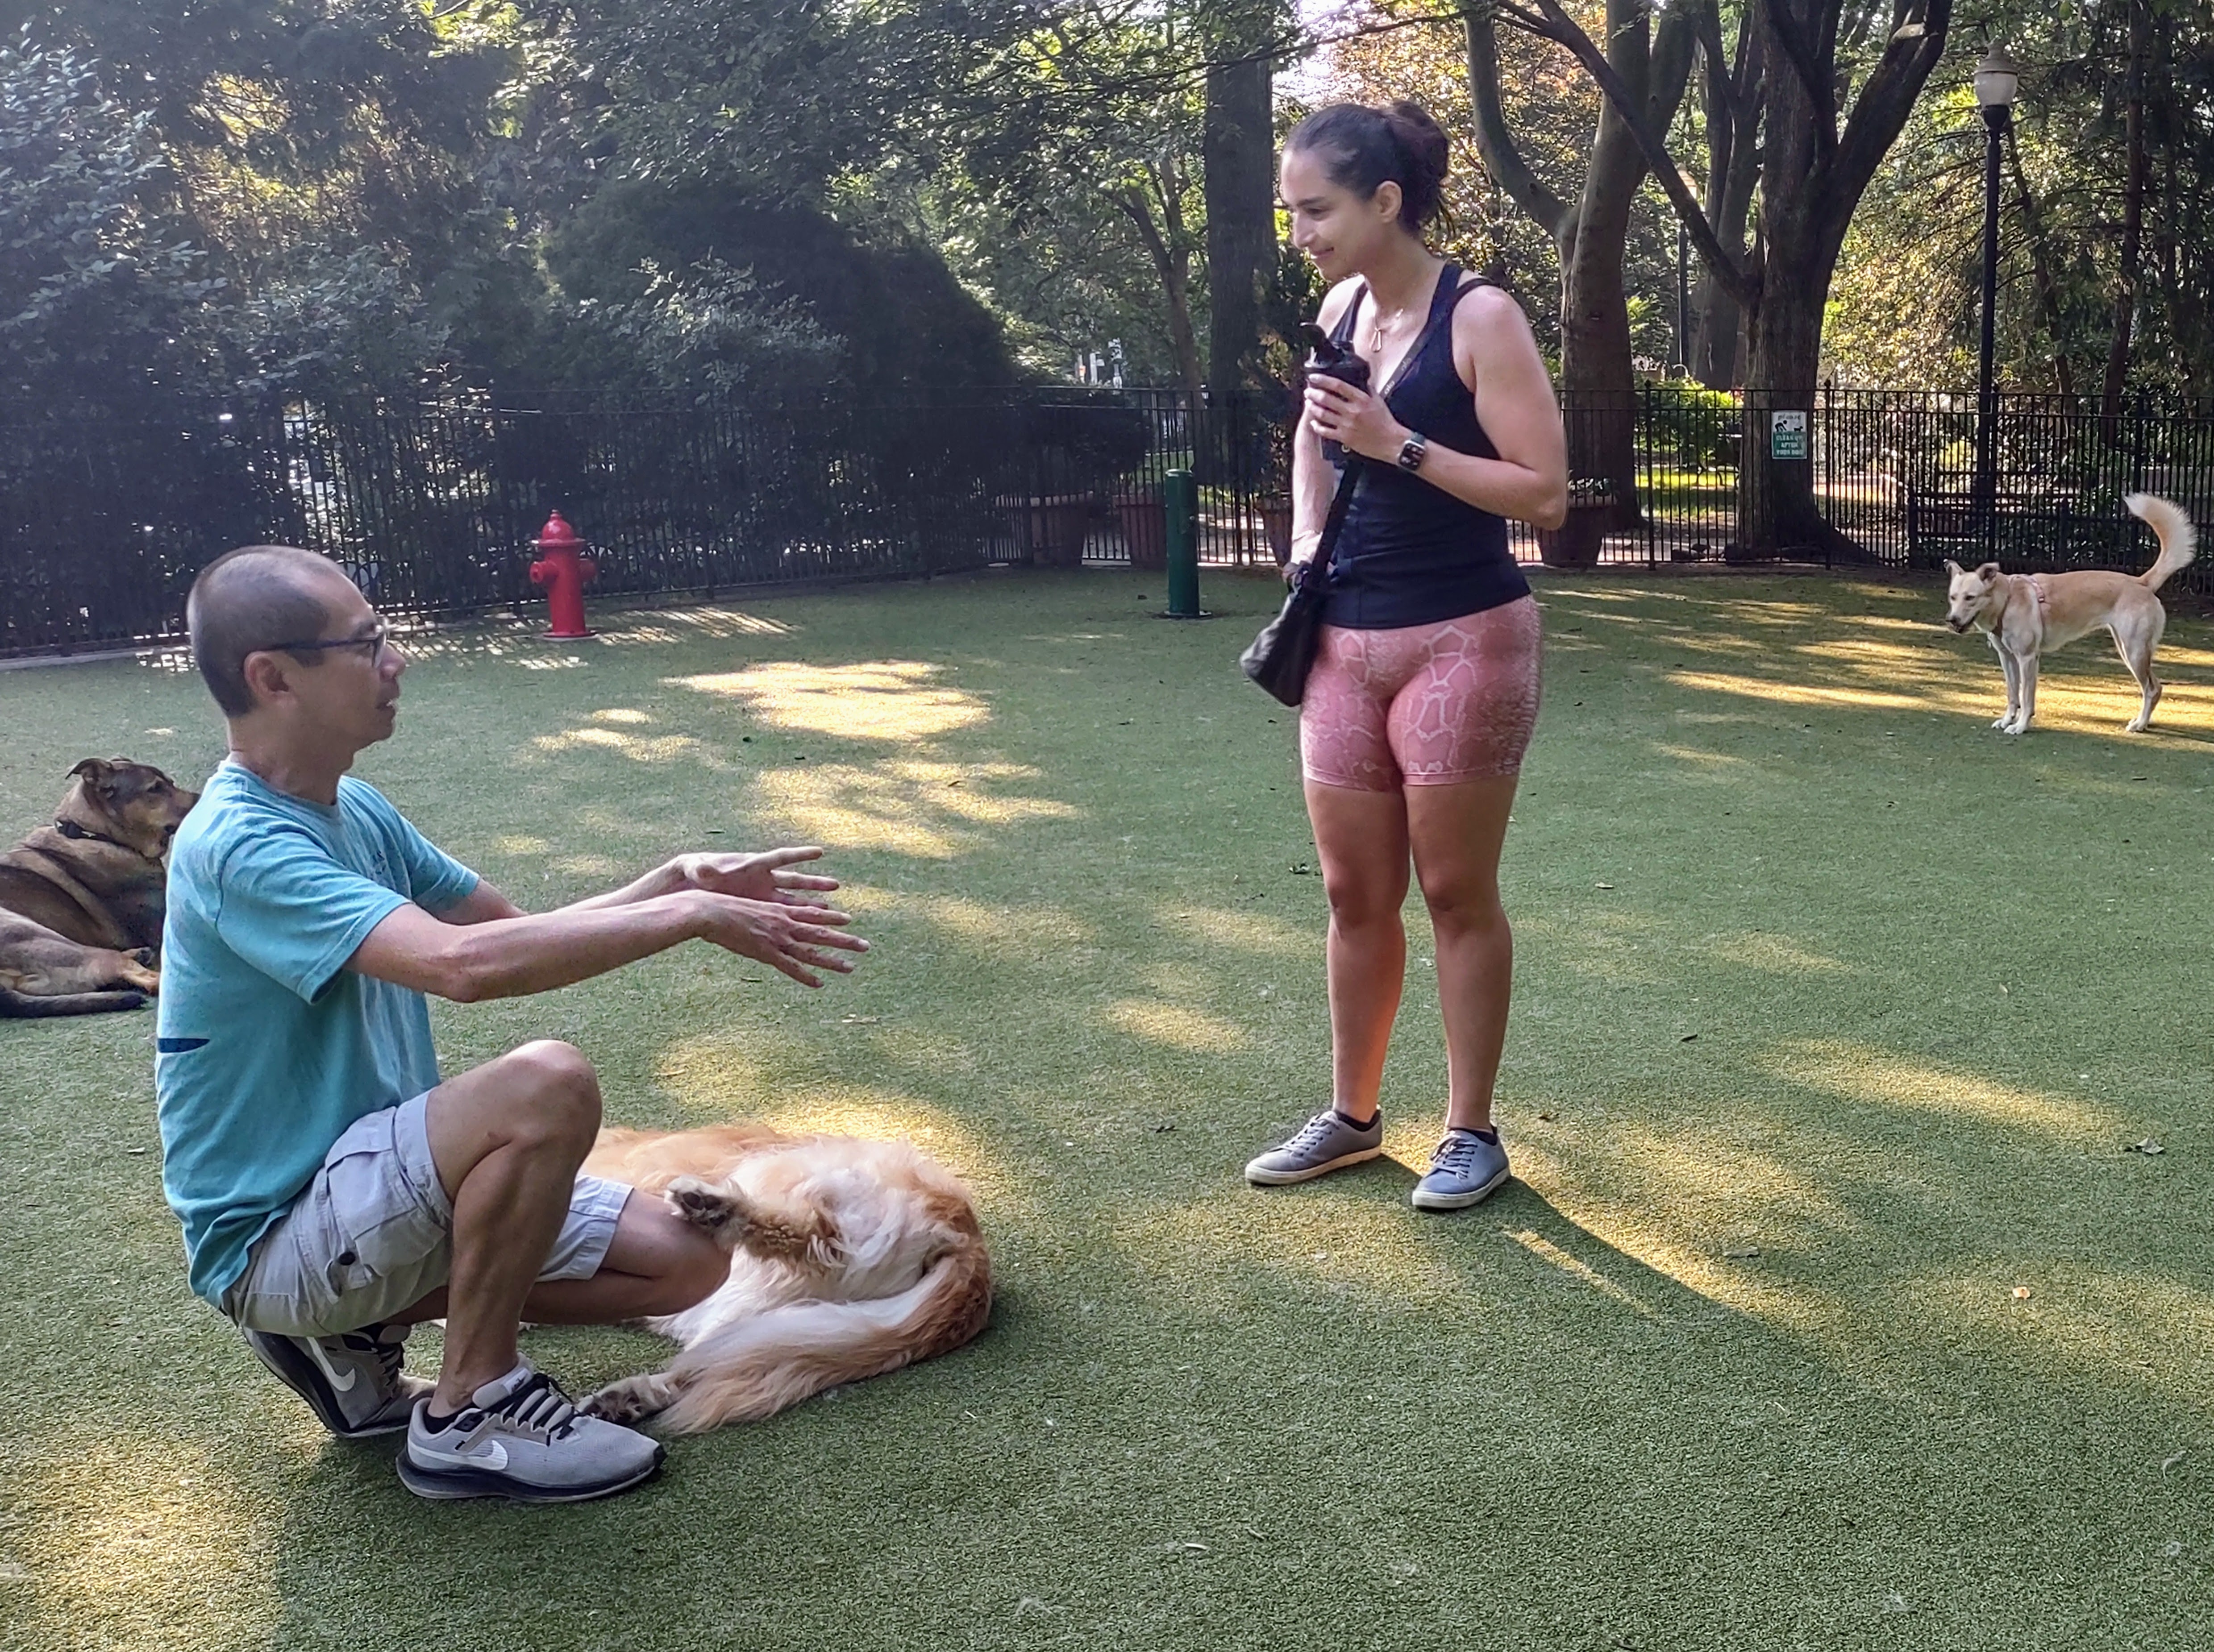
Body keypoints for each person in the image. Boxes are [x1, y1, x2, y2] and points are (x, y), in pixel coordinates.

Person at [158, 544, 870, 1503]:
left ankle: (349, 1337)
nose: (394, 660)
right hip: (277, 1234)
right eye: (366, 643)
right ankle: (469, 1410)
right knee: (547, 1084)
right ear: (272, 678)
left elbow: (509, 934)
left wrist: (670, 883)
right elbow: (459, 969)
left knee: (691, 1261)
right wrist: (689, 921)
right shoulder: (240, 844)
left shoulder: (354, 809)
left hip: (364, 1200)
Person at [1244, 102, 1568, 1211]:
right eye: (1291, 213)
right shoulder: (1339, 307)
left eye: (1317, 210)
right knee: (1352, 894)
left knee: (1455, 891)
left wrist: (1400, 444)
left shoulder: (1481, 318)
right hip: (1342, 635)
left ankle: (1471, 1132)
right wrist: (1301, 548)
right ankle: (1351, 1116)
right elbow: (1311, 433)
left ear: (1385, 202)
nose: (1302, 235)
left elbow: (1545, 494)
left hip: (1462, 637)